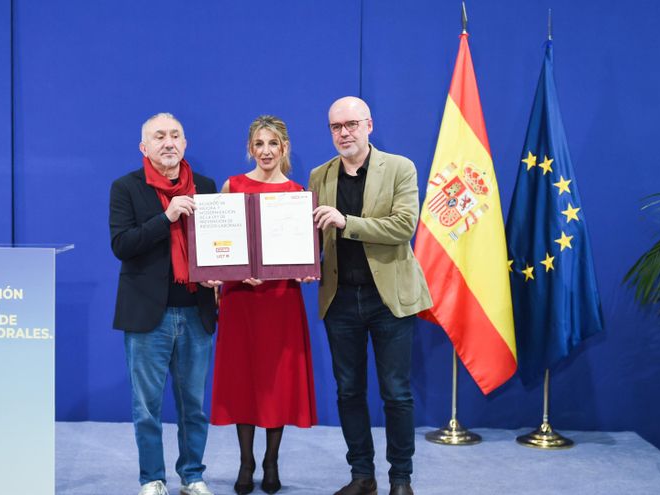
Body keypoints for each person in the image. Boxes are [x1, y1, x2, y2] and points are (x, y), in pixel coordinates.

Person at [308, 97, 433, 495]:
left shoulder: (400, 168)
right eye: (336, 127)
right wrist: (291, 262)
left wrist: (346, 222)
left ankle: (401, 479)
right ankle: (362, 476)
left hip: (389, 299)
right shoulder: (319, 175)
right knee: (348, 391)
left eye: (351, 124)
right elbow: (310, 236)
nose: (344, 133)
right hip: (340, 300)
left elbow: (404, 226)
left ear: (369, 125)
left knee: (396, 393)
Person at [109, 112, 221, 495]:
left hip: (196, 311)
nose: (168, 142)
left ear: (185, 144)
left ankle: (192, 476)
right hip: (146, 315)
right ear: (145, 147)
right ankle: (152, 478)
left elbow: (218, 245)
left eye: (175, 135)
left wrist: (218, 272)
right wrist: (166, 217)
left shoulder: (206, 187)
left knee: (194, 406)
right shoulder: (126, 188)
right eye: (159, 136)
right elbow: (122, 245)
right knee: (147, 407)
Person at [210, 115, 318, 495]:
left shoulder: (297, 192)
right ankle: (246, 462)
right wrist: (234, 273)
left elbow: (305, 250)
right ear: (250, 148)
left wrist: (306, 269)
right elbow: (219, 244)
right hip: (241, 300)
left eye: (273, 143)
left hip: (281, 300)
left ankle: (271, 461)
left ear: (285, 148)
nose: (266, 151)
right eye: (259, 143)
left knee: (276, 381)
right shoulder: (232, 186)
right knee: (244, 379)